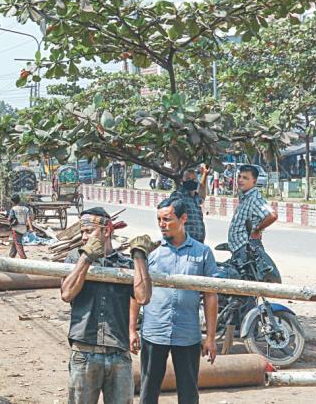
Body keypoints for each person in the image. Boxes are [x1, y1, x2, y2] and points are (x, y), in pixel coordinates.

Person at [61, 207, 156, 404]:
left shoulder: (125, 263)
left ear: (106, 231)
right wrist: (86, 258)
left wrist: (138, 257)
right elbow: (67, 293)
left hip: (118, 355)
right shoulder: (75, 258)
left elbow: (143, 297)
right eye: (82, 232)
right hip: (84, 352)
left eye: (89, 231)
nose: (84, 237)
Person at [130, 198, 219, 404]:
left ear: (183, 218)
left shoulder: (202, 253)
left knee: (188, 393)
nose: (162, 224)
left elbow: (210, 295)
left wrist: (211, 338)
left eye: (167, 219)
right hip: (154, 333)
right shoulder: (150, 252)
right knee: (148, 390)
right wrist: (132, 329)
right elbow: (135, 291)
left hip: (188, 335)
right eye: (159, 219)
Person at [228, 164, 278, 256]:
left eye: (245, 178)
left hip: (247, 249)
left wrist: (257, 230)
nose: (240, 180)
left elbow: (272, 215)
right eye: (239, 177)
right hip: (239, 249)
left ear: (254, 181)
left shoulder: (255, 198)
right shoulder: (244, 197)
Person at [169, 165, 208, 243]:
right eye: (188, 179)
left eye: (194, 179)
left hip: (199, 241)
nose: (191, 181)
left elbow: (202, 195)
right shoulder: (178, 195)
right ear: (182, 181)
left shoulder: (195, 197)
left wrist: (205, 174)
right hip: (186, 241)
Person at [7, 194, 32, 259]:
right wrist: (31, 227)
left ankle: (23, 258)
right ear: (19, 200)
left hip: (16, 228)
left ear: (13, 202)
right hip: (23, 228)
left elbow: (10, 219)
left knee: (18, 243)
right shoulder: (26, 209)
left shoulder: (13, 209)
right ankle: (11, 255)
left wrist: (10, 223)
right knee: (15, 241)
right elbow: (28, 219)